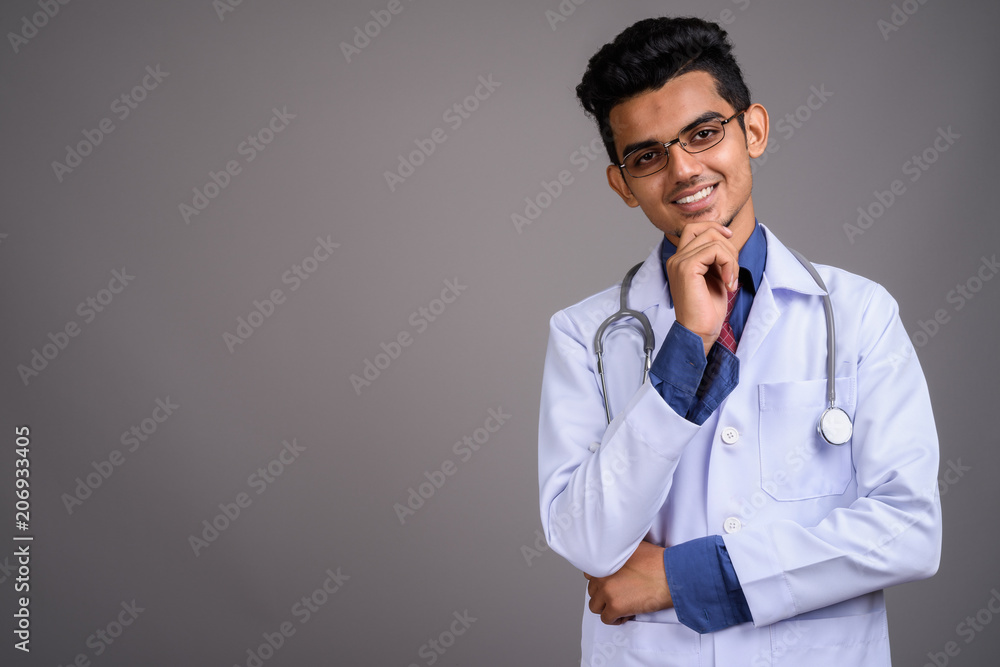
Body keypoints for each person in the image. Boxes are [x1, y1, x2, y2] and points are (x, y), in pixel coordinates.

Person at [537, 16, 941, 667]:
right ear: (622, 185)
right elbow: (586, 538)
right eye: (647, 156)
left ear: (752, 129)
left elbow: (909, 530)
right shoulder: (585, 335)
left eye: (703, 133)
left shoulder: (859, 314)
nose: (683, 169)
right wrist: (687, 344)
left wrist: (681, 577)